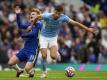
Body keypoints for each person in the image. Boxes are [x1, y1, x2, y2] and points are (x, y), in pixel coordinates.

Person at [29, 5, 96, 78]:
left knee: (53, 57)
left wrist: (87, 29)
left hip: (53, 38)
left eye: (59, 13)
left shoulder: (64, 17)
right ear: (54, 11)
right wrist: (31, 26)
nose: (57, 15)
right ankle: (44, 72)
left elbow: (76, 23)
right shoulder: (47, 16)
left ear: (61, 13)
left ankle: (56, 54)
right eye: (56, 13)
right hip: (43, 37)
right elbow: (36, 18)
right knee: (44, 55)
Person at [8, 6, 42, 77]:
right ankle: (19, 70)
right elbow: (20, 24)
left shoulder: (39, 24)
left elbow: (33, 34)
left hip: (33, 51)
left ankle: (31, 72)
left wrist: (22, 36)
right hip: (25, 49)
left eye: (33, 14)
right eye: (31, 14)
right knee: (10, 62)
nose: (31, 15)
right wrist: (17, 14)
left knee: (27, 69)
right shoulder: (29, 24)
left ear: (38, 16)